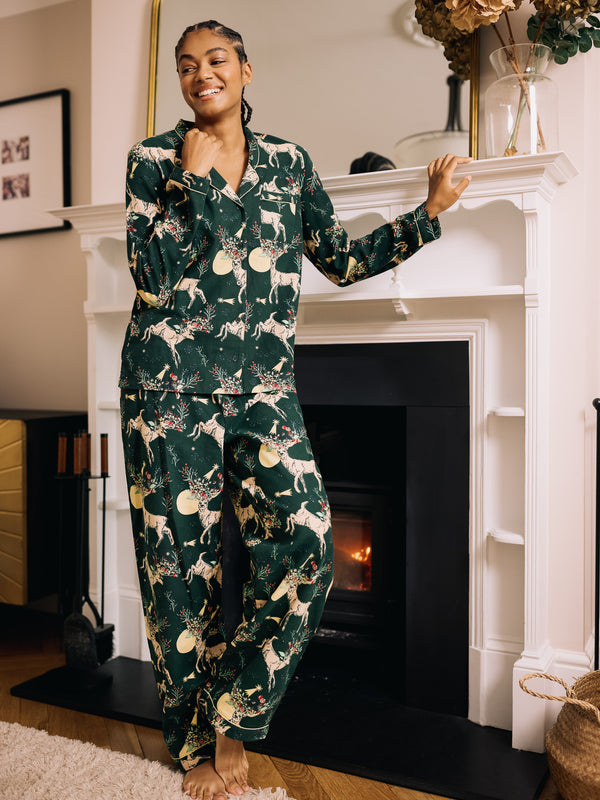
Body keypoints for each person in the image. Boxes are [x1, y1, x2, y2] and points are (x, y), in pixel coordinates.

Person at [120, 18, 472, 800]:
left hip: (264, 389)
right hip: (165, 390)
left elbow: (340, 260)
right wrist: (194, 180)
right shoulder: (154, 159)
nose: (199, 73)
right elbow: (150, 274)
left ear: (246, 70)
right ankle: (194, 747)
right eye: (185, 65)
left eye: (215, 60)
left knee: (310, 540)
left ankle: (235, 711)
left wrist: (430, 210)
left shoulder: (288, 162)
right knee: (179, 574)